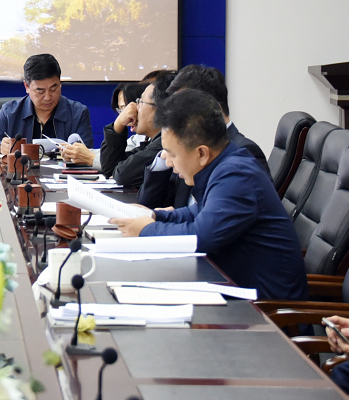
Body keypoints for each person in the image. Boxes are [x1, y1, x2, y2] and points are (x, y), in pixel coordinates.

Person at [111, 90, 308, 302]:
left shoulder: (236, 175)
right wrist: (155, 216)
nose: (168, 162)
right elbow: (199, 212)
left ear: (202, 153)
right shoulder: (225, 165)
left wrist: (146, 230)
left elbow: (200, 236)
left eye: (173, 154)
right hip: (236, 290)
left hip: (264, 309)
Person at [138, 64, 269, 209]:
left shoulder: (244, 151)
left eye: (183, 107)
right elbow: (151, 205)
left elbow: (217, 216)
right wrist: (164, 159)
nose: (176, 116)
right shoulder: (187, 147)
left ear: (212, 107)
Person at [0, 54, 92, 153]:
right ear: (27, 86)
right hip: (22, 169)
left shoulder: (78, 113)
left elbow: (87, 153)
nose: (48, 97)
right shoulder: (9, 112)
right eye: (40, 91)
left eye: (53, 89)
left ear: (60, 83)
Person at [99, 70, 175, 188]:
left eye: (140, 102)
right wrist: (117, 126)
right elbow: (110, 169)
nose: (135, 108)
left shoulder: (166, 144)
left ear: (159, 109)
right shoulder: (152, 142)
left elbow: (123, 175)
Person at [60, 81, 146, 167]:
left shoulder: (152, 143)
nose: (123, 115)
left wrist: (90, 158)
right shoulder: (138, 137)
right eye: (120, 110)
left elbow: (123, 166)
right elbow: (113, 154)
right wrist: (75, 152)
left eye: (125, 108)